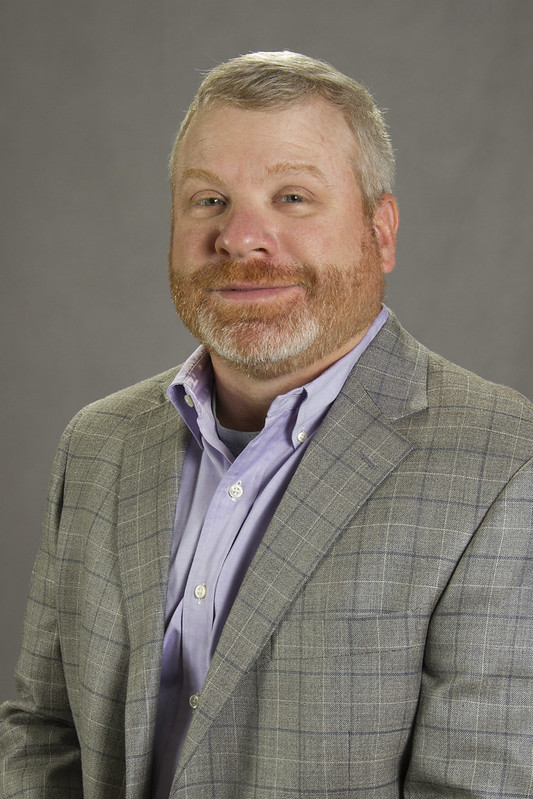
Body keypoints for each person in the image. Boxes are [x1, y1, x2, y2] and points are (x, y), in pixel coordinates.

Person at [1, 50, 532, 799]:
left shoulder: (503, 465)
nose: (241, 238)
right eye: (208, 200)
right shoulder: (98, 443)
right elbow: (41, 729)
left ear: (379, 231)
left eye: (291, 197)